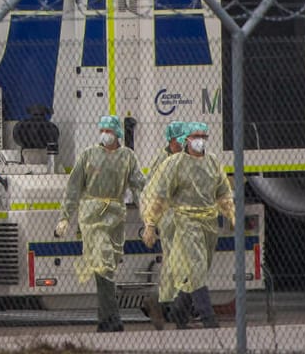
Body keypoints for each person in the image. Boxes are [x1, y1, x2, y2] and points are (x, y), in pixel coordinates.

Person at [54, 115, 145, 332]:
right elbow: (73, 187)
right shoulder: (88, 156)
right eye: (101, 129)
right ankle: (112, 317)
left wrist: (149, 217)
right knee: (103, 262)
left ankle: (105, 319)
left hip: (115, 216)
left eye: (108, 130)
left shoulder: (127, 157)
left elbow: (139, 186)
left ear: (117, 134)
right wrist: (65, 217)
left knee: (108, 266)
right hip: (92, 216)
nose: (104, 133)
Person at [142, 122, 233, 329]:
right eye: (192, 137)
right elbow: (154, 192)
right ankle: (205, 317)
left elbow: (221, 190)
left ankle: (176, 311)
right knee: (188, 265)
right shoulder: (167, 162)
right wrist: (151, 222)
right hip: (176, 220)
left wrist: (230, 213)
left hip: (205, 222)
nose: (198, 141)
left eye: (203, 136)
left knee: (193, 267)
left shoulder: (211, 162)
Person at [142, 121, 187, 328]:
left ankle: (163, 303)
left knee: (174, 264)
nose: (184, 143)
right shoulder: (163, 161)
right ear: (171, 141)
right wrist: (150, 223)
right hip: (169, 218)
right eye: (180, 140)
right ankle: (169, 306)